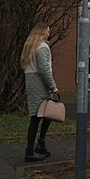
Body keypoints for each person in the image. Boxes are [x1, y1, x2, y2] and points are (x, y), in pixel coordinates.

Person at [22, 22, 59, 162]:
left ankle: (39, 145)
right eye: (47, 31)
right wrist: (53, 86)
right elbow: (44, 69)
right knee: (40, 116)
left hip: (31, 82)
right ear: (42, 32)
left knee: (41, 115)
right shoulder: (42, 47)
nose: (49, 34)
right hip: (40, 84)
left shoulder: (30, 46)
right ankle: (31, 150)